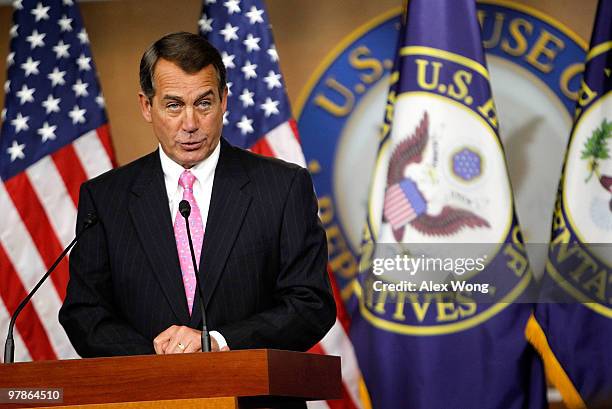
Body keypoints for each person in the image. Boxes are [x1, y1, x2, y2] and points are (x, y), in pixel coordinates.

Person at [59, 32, 335, 356]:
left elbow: (310, 304)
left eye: (203, 103)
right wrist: (158, 356)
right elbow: (85, 314)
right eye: (173, 105)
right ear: (147, 106)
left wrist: (217, 341)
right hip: (150, 401)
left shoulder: (282, 187)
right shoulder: (106, 200)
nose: (190, 123)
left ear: (224, 101)